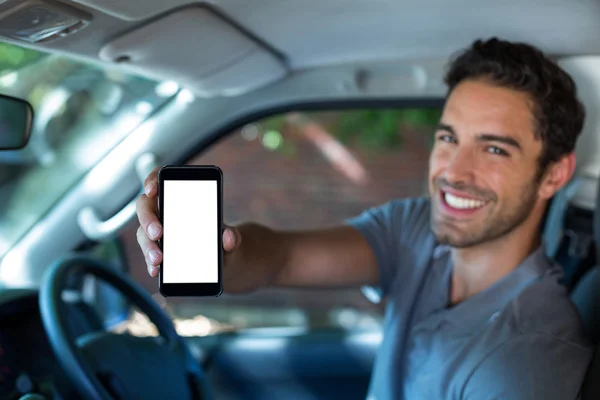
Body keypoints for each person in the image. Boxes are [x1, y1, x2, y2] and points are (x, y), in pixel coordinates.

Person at [135, 38, 593, 399]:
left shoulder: (527, 362)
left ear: (554, 174)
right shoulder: (418, 228)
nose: (453, 172)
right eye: (448, 138)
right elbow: (280, 258)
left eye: (494, 149)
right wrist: (221, 252)